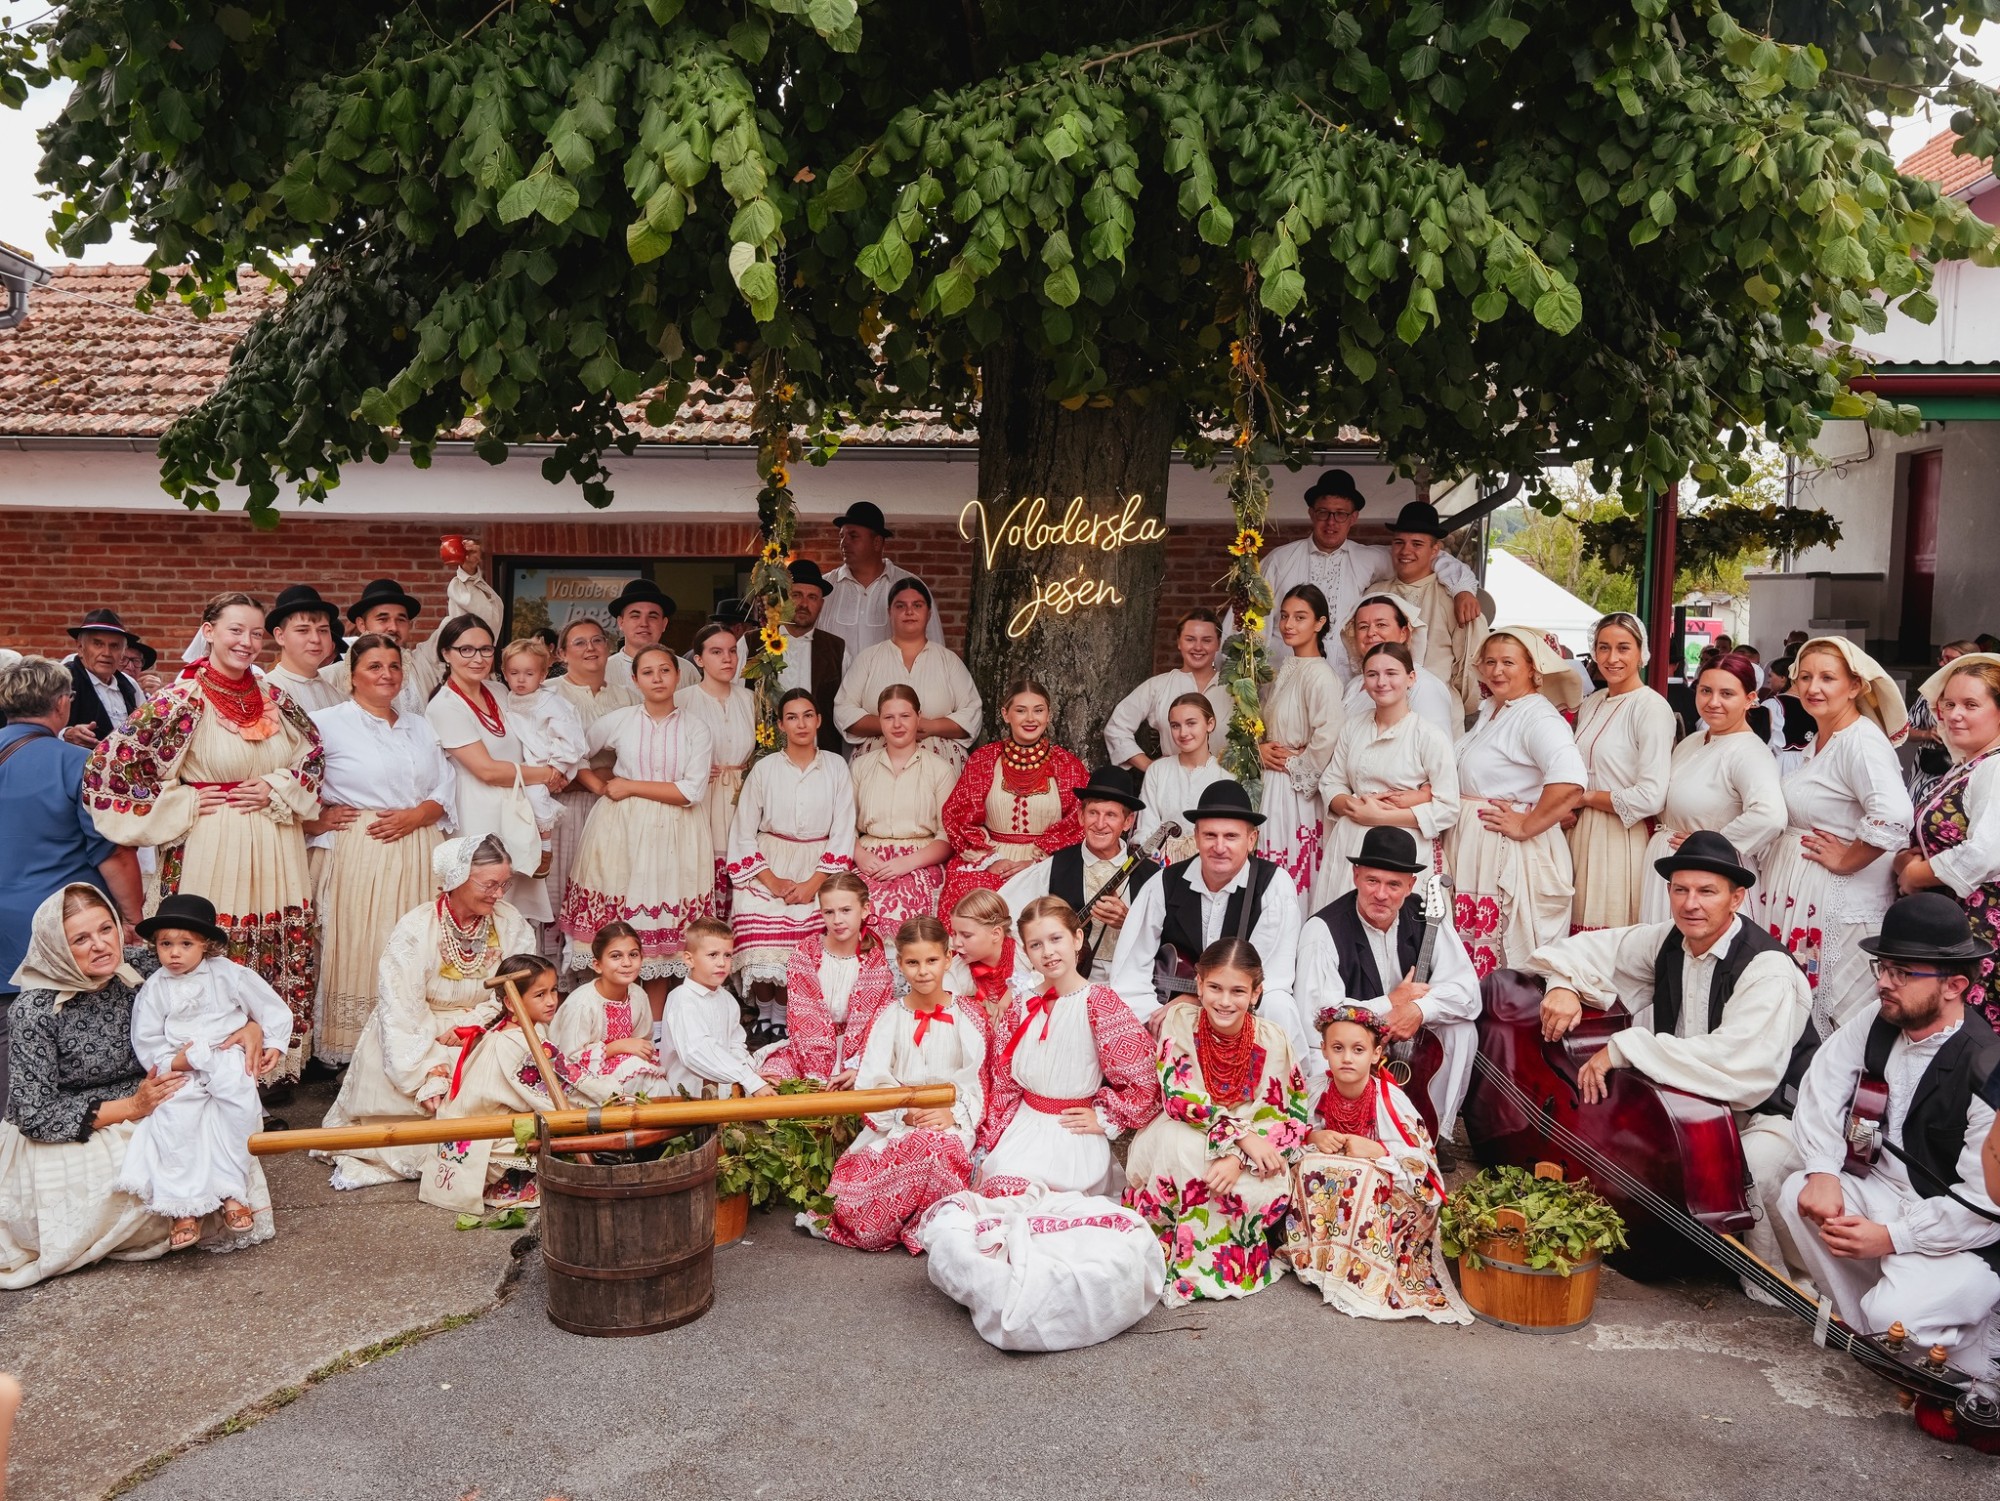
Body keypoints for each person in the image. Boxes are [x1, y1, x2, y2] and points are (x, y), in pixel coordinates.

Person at [1530, 832, 1819, 1296]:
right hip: (1695, 1101)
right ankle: (1695, 1245)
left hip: (1775, 1113)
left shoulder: (1767, 968)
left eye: (1707, 891)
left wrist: (1625, 1048)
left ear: (1736, 898)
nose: (1691, 904)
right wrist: (1563, 985)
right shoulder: (1669, 939)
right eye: (1680, 890)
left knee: (1751, 1164)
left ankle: (1776, 1281)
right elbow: (1586, 951)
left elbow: (1741, 1063)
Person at [83, 592, 325, 1080]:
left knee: (276, 944)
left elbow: (314, 754)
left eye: (255, 633)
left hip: (274, 838)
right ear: (209, 631)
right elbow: (108, 771)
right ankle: (205, 1067)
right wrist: (186, 801)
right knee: (213, 944)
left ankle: (267, 1068)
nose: (247, 642)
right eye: (236, 630)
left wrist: (277, 785)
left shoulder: (275, 698)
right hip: (212, 842)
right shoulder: (181, 700)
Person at [2, 885, 273, 1288]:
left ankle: (200, 1207)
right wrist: (132, 1106)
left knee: (207, 1123)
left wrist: (250, 1027)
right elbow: (34, 1114)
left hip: (161, 1093)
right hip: (83, 1119)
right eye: (81, 939)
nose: (100, 945)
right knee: (115, 1169)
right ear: (57, 948)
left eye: (105, 929)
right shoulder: (34, 1010)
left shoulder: (149, 966)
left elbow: (220, 993)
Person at [1779, 893, 2000, 1367]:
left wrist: (1893, 1237)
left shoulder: (1986, 1069)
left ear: (1954, 985)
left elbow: (1985, 1205)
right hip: (1882, 1193)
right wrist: (1823, 1170)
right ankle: (1869, 1336)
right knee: (1800, 1192)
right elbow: (1822, 1084)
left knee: (1897, 1313)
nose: (1882, 982)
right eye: (1882, 967)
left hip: (1962, 1232)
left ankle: (1968, 1342)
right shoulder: (1879, 1018)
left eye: (1901, 973)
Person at [318, 836, 533, 1187]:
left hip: (488, 1025)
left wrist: (477, 1022)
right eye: (489, 884)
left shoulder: (510, 923)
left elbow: (520, 987)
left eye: (504, 884)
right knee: (427, 1117)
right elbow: (401, 1006)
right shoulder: (417, 927)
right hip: (421, 1032)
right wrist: (426, 1073)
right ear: (456, 878)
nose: (498, 894)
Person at [1123, 936, 1309, 1307]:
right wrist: (1237, 1137)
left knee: (1254, 1180)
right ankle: (1173, 1258)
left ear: (1256, 993)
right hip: (1190, 1126)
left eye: (1238, 991)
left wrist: (1239, 1155)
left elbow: (1286, 1115)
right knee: (1180, 1147)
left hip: (1252, 1143)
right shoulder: (1180, 1020)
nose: (1225, 1001)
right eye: (1215, 988)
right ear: (1199, 985)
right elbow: (1179, 1098)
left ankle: (1219, 1263)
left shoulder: (1272, 1039)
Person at [1750, 637, 1913, 1036]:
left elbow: (1893, 815)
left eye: (1827, 678)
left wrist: (1846, 859)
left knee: (1835, 1017)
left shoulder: (1861, 741)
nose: (1813, 687)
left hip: (1839, 902)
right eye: (1805, 677)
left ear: (1855, 686)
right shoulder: (1823, 739)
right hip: (1806, 898)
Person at [304, 635, 455, 1066]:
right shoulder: (326, 723)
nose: (386, 674)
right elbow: (293, 778)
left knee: (415, 943)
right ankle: (356, 1050)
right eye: (374, 666)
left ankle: (409, 1042)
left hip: (420, 844)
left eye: (393, 666)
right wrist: (314, 818)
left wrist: (420, 814)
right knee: (363, 940)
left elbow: (446, 784)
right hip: (361, 845)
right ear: (351, 676)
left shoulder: (419, 725)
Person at [115, 893, 291, 1249]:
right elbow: (146, 1037)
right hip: (180, 1063)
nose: (174, 953)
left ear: (206, 945)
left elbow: (269, 1006)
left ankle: (232, 1191)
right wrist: (171, 1063)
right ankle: (184, 1205)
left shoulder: (230, 974)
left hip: (225, 1056)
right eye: (165, 944)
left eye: (186, 944)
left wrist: (273, 1042)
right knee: (175, 1118)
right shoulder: (156, 987)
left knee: (240, 1111)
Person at [804, 915, 985, 1251]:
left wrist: (953, 1113)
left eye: (932, 960)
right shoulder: (889, 1016)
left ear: (948, 958)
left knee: (934, 1148)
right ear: (900, 963)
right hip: (898, 1123)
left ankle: (923, 1224)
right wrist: (904, 1113)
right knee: (859, 1211)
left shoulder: (968, 1015)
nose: (923, 971)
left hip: (951, 1122)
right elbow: (873, 1080)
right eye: (913, 962)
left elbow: (978, 1078)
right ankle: (890, 1219)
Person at [1285, 1003, 1470, 1324]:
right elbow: (1285, 1137)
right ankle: (1320, 1256)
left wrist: (1377, 1150)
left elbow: (1422, 1168)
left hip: (1383, 1200)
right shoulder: (1314, 1091)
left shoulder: (1389, 1098)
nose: (1347, 1058)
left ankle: (1362, 1266)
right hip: (1332, 1204)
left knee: (1363, 1175)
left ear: (1376, 1054)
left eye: (1358, 1049)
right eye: (1338, 1048)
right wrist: (1312, 1138)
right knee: (1307, 1166)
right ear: (1324, 1050)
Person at [1296, 826, 1481, 1144]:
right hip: (1353, 1046)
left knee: (1462, 1028)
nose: (1381, 894)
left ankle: (1434, 1132)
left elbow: (1468, 993)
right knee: (1318, 1053)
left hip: (1409, 1041)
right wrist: (1390, 1004)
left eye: (1394, 884)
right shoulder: (1323, 930)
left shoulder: (1425, 917)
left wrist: (1419, 1010)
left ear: (1410, 885)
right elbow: (1316, 1018)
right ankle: (1340, 1127)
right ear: (1356, 876)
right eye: (1372, 881)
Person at [559, 644, 714, 1014]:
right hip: (620, 831)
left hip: (676, 831)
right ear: (634, 679)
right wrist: (600, 787)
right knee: (619, 930)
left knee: (660, 935)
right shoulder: (620, 720)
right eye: (648, 672)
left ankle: (654, 1028)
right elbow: (574, 753)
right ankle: (611, 1018)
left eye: (665, 670)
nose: (657, 679)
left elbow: (691, 791)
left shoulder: (696, 728)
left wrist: (629, 785)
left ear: (678, 675)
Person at [1109, 780, 1308, 1061]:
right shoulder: (1164, 883)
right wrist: (1163, 1016)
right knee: (1123, 1006)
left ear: (1251, 839)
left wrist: (1200, 1000)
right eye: (1210, 835)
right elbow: (1130, 971)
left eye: (1231, 836)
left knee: (1278, 1006)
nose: (1219, 846)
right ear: (1196, 836)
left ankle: (1280, 1084)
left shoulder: (1273, 885)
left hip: (1243, 1006)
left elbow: (1268, 978)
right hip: (1170, 1008)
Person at [977, 896, 1162, 1197]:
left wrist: (1105, 1116)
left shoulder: (1099, 1003)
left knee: (1053, 1205)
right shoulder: (1021, 1005)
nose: (1048, 952)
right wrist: (992, 1135)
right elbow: (1002, 1081)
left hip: (1073, 1133)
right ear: (1027, 952)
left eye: (1056, 939)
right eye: (1036, 945)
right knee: (1005, 1194)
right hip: (1024, 1127)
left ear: (1077, 938)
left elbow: (1144, 1079)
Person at [0, 658, 143, 1014]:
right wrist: (131, 920)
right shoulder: (78, 763)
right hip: (59, 929)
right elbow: (113, 852)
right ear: (62, 702)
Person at [1446, 625, 1588, 976]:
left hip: (1508, 850)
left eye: (1508, 662)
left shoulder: (1537, 716)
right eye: (1490, 662)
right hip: (1475, 848)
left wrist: (1526, 825)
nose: (1497, 670)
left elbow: (1570, 780)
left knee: (1507, 961)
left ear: (1532, 669)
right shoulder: (1493, 710)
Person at [1259, 470, 1480, 680]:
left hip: (1343, 682)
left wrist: (1461, 588)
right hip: (1285, 674)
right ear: (1311, 513)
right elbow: (1257, 620)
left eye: (1341, 514)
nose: (1331, 522)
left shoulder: (1368, 559)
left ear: (1353, 517)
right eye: (1323, 512)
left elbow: (1424, 557)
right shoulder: (1279, 560)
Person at [726, 688, 858, 1042]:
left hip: (819, 866)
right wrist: (771, 881)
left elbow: (844, 829)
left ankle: (784, 1016)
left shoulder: (835, 767)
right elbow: (743, 830)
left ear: (819, 720)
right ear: (781, 725)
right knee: (755, 921)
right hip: (770, 863)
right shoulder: (765, 769)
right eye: (792, 717)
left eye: (808, 715)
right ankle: (765, 1013)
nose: (801, 724)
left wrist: (815, 883)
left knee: (803, 934)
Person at [426, 615, 563, 923]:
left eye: (486, 649)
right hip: (477, 811)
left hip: (516, 807)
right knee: (483, 897)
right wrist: (546, 774)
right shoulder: (445, 706)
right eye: (466, 650)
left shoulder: (500, 691)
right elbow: (486, 771)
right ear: (446, 653)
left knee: (515, 908)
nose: (478, 658)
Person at [1638, 652, 1785, 926]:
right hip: (1674, 869)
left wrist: (1711, 843)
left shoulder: (1749, 751)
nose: (1713, 702)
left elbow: (1770, 815)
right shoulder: (1693, 741)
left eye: (1727, 694)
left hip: (1709, 875)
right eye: (1706, 691)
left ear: (1750, 699)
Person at [1897, 651, 2000, 1033]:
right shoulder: (1970, 764)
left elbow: (1986, 853)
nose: (1955, 714)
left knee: (1970, 1041)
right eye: (1950, 704)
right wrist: (1902, 862)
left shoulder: (1995, 767)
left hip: (1981, 932)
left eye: (1971, 705)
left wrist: (1915, 875)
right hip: (1951, 924)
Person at [1313, 641, 1459, 908]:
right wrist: (1354, 806)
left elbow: (1448, 807)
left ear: (1411, 678)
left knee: (1394, 922)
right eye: (1372, 674)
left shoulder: (1428, 736)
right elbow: (1332, 782)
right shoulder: (1353, 727)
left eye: (1391, 673)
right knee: (1344, 920)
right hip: (1351, 843)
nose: (1381, 682)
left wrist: (1382, 817)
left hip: (1402, 849)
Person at [418, 952, 563, 1214]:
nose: (552, 1000)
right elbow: (555, 1095)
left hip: (479, 1127)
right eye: (540, 995)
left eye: (554, 990)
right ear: (511, 1002)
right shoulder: (515, 1041)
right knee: (565, 1123)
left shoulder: (515, 1030)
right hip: (485, 1136)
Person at [937, 676, 1085, 915]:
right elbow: (958, 815)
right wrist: (991, 861)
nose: (1030, 718)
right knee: (974, 904)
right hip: (992, 859)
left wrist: (1037, 864)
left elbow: (1080, 823)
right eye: (1021, 710)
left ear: (1048, 715)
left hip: (1046, 864)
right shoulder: (984, 760)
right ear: (1006, 715)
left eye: (1038, 710)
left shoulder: (1067, 765)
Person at [1567, 613, 1677, 934]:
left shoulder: (1651, 707)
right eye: (1603, 648)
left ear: (1642, 653)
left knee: (1609, 935)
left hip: (1620, 837)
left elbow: (1651, 796)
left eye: (1623, 648)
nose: (1612, 658)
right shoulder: (1593, 702)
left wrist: (1587, 798)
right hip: (1580, 830)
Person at [999, 766, 1157, 983]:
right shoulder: (1055, 867)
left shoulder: (1151, 875)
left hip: (1133, 984)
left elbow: (1167, 939)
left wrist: (1129, 922)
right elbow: (1004, 913)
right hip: (1068, 985)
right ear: (1081, 816)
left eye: (1111, 815)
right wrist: (1034, 970)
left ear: (1128, 822)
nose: (1100, 824)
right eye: (1093, 813)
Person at [545, 618, 640, 951]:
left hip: (617, 806)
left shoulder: (628, 697)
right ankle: (557, 968)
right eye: (579, 642)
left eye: (597, 640)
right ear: (561, 654)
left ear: (608, 647)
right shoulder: (548, 694)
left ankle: (601, 963)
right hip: (565, 808)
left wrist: (608, 776)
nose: (590, 648)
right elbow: (545, 765)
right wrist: (597, 776)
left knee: (608, 884)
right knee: (563, 882)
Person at [756, 874, 896, 1086]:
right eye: (829, 912)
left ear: (865, 909)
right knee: (772, 1077)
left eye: (846, 910)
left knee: (872, 1083)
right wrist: (817, 1073)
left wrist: (857, 1065)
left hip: (862, 1052)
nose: (837, 920)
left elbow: (878, 1024)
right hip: (807, 1050)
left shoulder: (875, 962)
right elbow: (803, 1017)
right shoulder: (806, 952)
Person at [1258, 585, 1345, 906]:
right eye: (1284, 617)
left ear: (1319, 623)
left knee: (1293, 871)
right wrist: (1260, 750)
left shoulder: (1320, 675)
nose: (1288, 625)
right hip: (1272, 782)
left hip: (1295, 791)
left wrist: (1294, 763)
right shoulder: (1286, 669)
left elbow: (1329, 735)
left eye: (1300, 617)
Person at [834, 578, 982, 767]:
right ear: (890, 612)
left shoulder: (948, 660)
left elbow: (972, 712)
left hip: (940, 765)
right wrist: (892, 724)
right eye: (900, 606)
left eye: (917, 605)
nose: (909, 611)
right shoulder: (868, 658)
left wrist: (931, 726)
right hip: (877, 766)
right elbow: (843, 709)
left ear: (929, 613)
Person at [330, 558, 505, 717]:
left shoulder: (423, 662)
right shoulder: (334, 676)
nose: (393, 627)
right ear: (361, 624)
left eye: (401, 619)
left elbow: (468, 626)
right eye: (383, 619)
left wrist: (468, 572)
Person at [1367, 499, 1487, 725]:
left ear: (1435, 551)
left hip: (1437, 717)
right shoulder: (1374, 594)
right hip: (1379, 715)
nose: (1406, 551)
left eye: (1417, 544)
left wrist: (1445, 697)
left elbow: (1472, 668)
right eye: (1399, 542)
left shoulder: (1453, 599)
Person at [849, 685, 956, 937]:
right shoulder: (861, 767)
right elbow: (845, 825)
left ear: (918, 717)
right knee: (855, 903)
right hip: (869, 858)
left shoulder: (940, 770)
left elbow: (948, 835)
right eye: (889, 717)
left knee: (908, 909)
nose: (897, 724)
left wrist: (906, 863)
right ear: (880, 721)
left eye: (905, 716)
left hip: (921, 859)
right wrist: (860, 855)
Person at [676, 621, 759, 912]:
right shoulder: (681, 701)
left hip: (742, 796)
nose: (727, 659)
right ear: (699, 659)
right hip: (701, 797)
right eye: (716, 652)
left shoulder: (751, 700)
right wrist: (689, 768)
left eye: (732, 651)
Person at [546, 922, 673, 1103]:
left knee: (660, 1086)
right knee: (638, 1078)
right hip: (579, 1081)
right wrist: (617, 1047)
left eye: (633, 955)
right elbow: (568, 1061)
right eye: (616, 956)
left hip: (628, 1072)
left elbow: (641, 1044)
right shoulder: (582, 1004)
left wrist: (631, 1050)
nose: (627, 963)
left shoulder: (638, 996)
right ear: (597, 965)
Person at [498, 637, 589, 875]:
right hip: (526, 759)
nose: (521, 679)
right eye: (514, 673)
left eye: (529, 674)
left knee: (535, 795)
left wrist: (557, 767)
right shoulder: (507, 698)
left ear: (542, 675)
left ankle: (545, 849)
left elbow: (569, 735)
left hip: (549, 758)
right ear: (504, 673)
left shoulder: (550, 702)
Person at [1102, 608, 1232, 770]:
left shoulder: (1234, 689)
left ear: (1218, 644)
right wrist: (1150, 767)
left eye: (1206, 640)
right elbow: (1117, 727)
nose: (1198, 647)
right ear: (1179, 642)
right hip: (1173, 780)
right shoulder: (1159, 686)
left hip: (1223, 779)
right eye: (1190, 639)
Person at [660, 918, 772, 1099]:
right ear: (689, 959)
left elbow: (735, 1045)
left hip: (727, 1089)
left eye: (727, 955)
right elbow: (697, 1051)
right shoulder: (682, 999)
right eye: (713, 955)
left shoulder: (727, 999)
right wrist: (748, 1079)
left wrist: (750, 1073)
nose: (722, 962)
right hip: (687, 1096)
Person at [823, 501, 943, 663]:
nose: (844, 542)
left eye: (853, 536)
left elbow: (934, 647)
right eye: (841, 536)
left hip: (893, 680)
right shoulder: (824, 588)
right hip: (838, 681)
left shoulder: (911, 587)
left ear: (877, 542)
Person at [753, 559, 849, 753]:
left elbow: (846, 710)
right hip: (765, 760)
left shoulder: (837, 649)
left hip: (820, 760)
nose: (804, 604)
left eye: (812, 597)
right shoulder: (752, 644)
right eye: (796, 595)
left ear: (821, 604)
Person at [1339, 592, 1458, 738]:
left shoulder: (1424, 685)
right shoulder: (1354, 685)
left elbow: (1435, 747)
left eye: (1381, 625)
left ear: (1404, 634)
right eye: (1363, 627)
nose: (1371, 633)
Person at [1136, 692, 1230, 865]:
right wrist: (1158, 864)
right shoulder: (1158, 770)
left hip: (1209, 865)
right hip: (1161, 865)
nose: (1183, 733)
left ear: (1210, 724)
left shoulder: (1226, 776)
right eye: (1175, 725)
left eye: (1191, 723)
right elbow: (1146, 829)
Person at [1907, 642, 1976, 808]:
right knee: (1917, 813)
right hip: (1929, 771)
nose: (1942, 664)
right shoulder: (1928, 695)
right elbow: (1903, 731)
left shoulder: (1981, 696)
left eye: (1949, 659)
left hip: (1966, 770)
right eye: (1942, 658)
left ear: (1968, 661)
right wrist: (1926, 734)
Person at [59, 608, 140, 748]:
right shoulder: (61, 680)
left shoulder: (129, 686)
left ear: (123, 652)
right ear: (80, 647)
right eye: (98, 644)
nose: (107, 653)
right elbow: (35, 727)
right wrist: (65, 734)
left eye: (114, 646)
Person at [262, 585, 345, 715]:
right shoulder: (264, 693)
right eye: (303, 630)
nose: (316, 639)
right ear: (280, 636)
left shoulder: (339, 698)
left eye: (323, 630)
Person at [603, 578, 694, 690]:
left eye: (652, 617)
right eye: (635, 616)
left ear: (664, 624)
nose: (644, 623)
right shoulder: (602, 672)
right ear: (621, 622)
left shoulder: (686, 670)